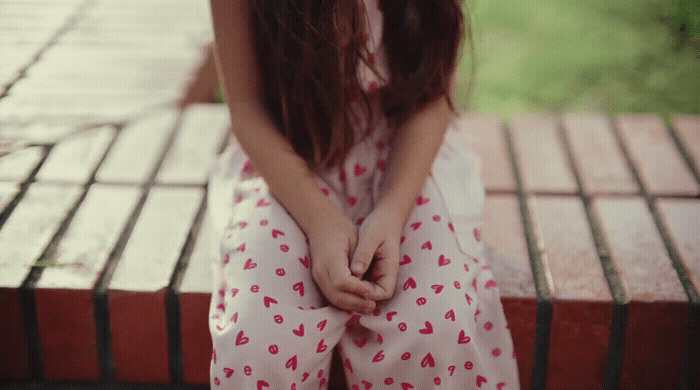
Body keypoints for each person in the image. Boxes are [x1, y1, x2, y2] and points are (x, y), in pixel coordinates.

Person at [206, 0, 520, 388]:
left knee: (436, 324)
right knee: (259, 337)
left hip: (406, 157)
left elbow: (433, 94)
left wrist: (392, 210)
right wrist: (319, 221)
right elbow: (247, 107)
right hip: (287, 157)